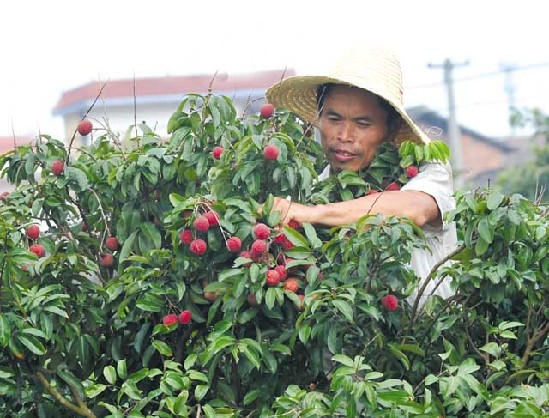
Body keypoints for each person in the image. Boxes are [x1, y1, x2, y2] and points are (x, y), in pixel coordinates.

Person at [265, 46, 458, 305]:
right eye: (334, 118)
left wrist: (313, 214)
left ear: (390, 128)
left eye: (362, 124)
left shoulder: (426, 172)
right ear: (319, 119)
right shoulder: (312, 189)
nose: (344, 135)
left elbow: (414, 209)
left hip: (427, 340)